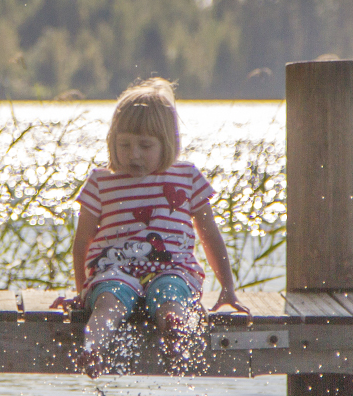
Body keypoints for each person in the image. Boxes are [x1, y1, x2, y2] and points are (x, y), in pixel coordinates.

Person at [71, 78, 247, 377]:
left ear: (168, 143)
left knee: (170, 294)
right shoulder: (101, 182)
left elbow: (209, 235)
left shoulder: (187, 177)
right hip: (114, 271)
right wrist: (81, 289)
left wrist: (228, 288)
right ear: (112, 141)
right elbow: (82, 241)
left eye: (145, 145)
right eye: (124, 144)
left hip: (173, 269)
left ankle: (175, 336)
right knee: (108, 303)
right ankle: (93, 349)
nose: (133, 154)